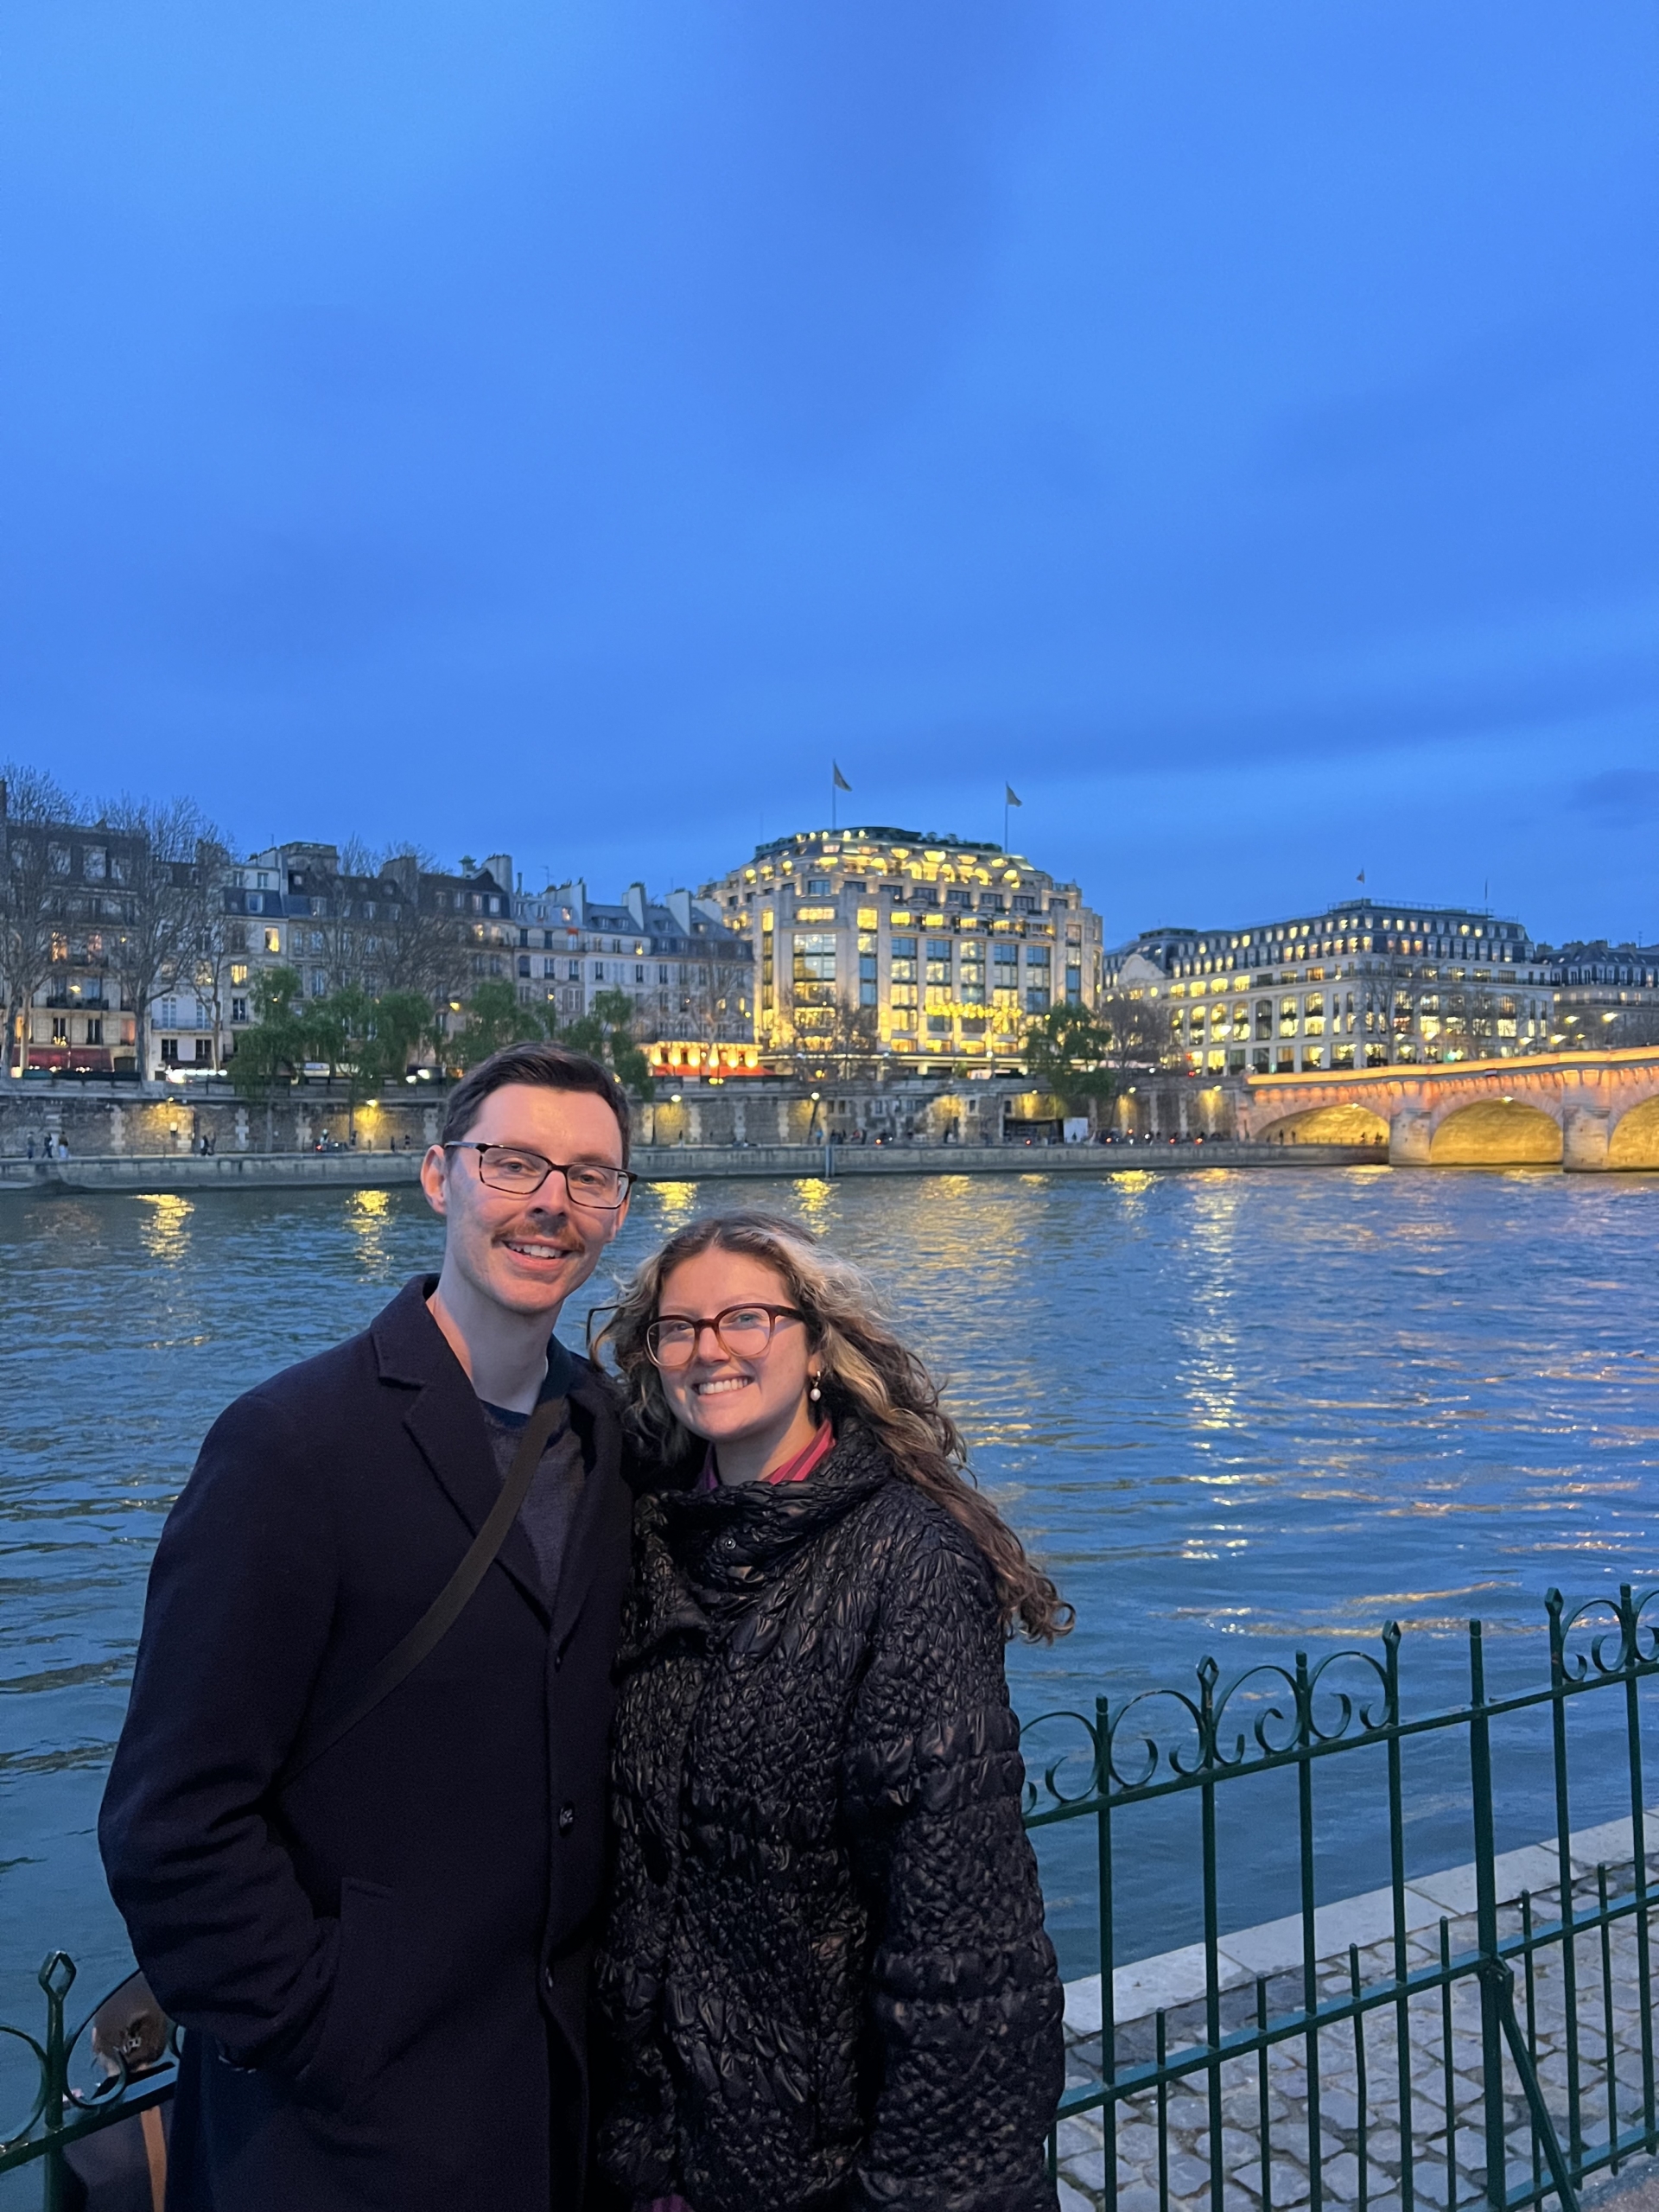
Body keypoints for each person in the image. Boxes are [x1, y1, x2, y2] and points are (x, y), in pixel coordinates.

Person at [99, 1042, 639, 2212]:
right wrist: (320, 2027)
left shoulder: (610, 1440)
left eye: (590, 1176)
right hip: (336, 2131)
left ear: (620, 1211)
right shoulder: (290, 1446)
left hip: (551, 2101)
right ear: (440, 1177)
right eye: (516, 1163)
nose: (553, 1201)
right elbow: (171, 1818)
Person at [593, 1211, 1068, 2212]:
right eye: (677, 1328)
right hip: (646, 2152)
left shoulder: (909, 1561)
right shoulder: (643, 1535)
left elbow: (962, 1943)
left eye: (746, 1318)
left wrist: (919, 2192)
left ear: (817, 1346)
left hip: (816, 2165)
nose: (708, 1348)